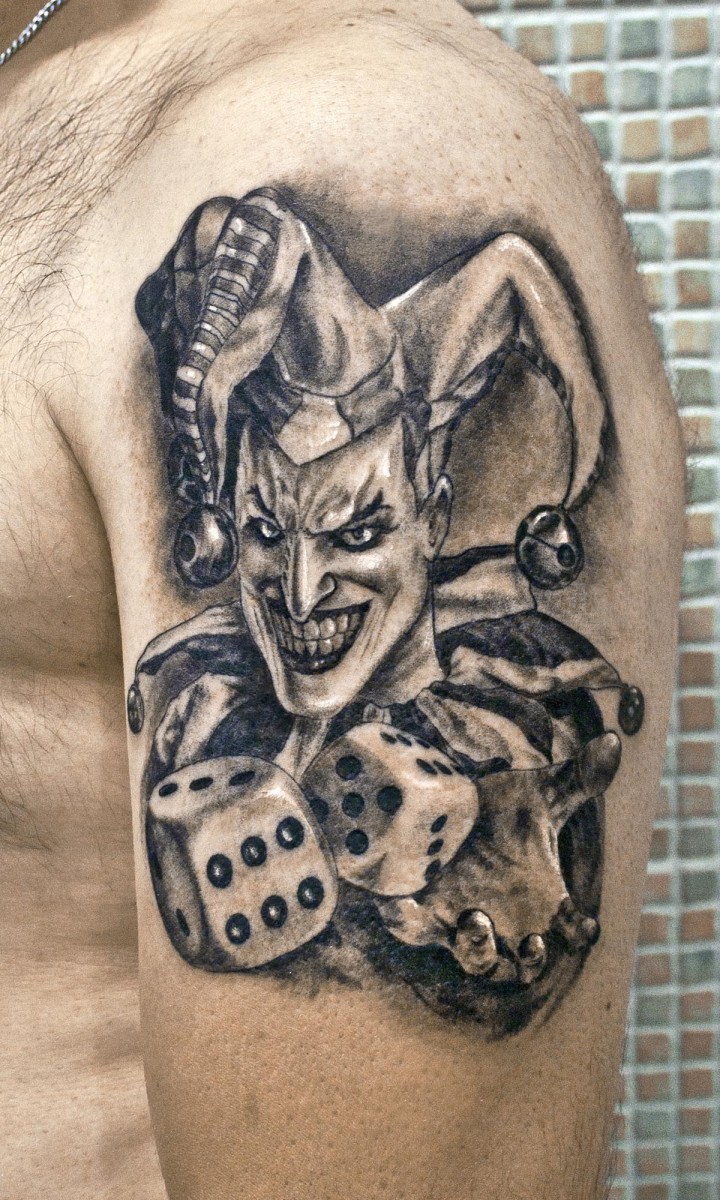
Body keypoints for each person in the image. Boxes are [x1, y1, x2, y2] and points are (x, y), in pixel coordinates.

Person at [0, 2, 684, 1198]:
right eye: (267, 533)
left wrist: (566, 488)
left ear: (434, 494)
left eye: (357, 532)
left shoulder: (358, 115)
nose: (302, 589)